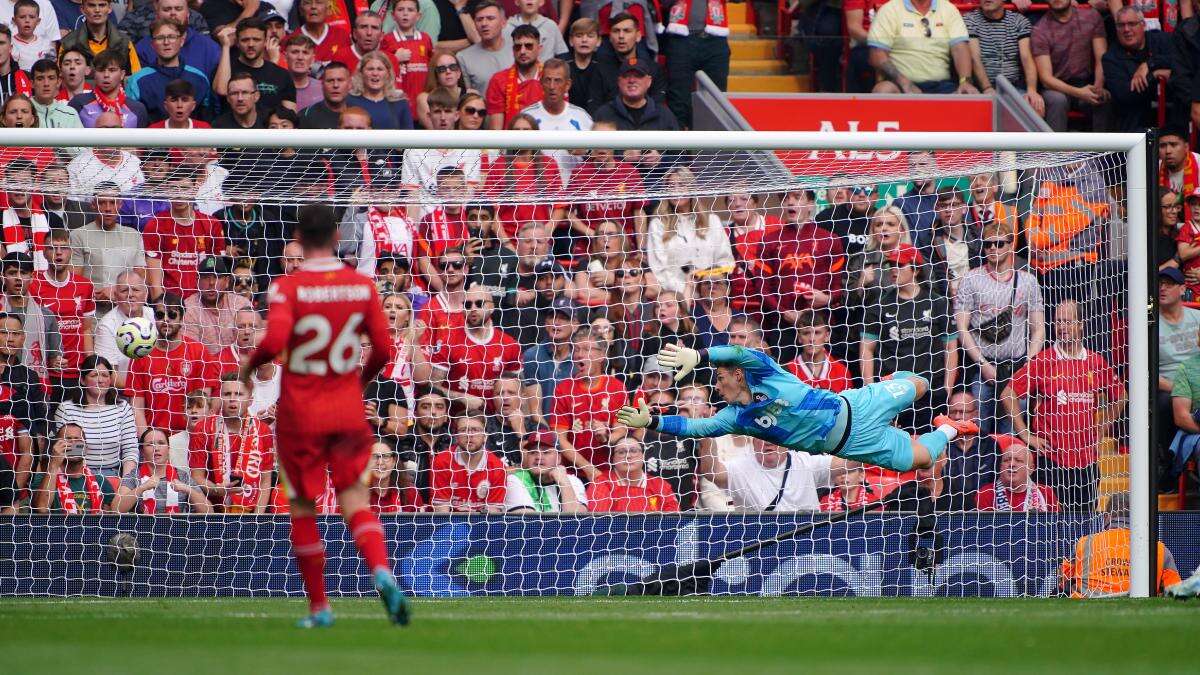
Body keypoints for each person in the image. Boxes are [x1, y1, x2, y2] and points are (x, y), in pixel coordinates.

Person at [236, 203, 409, 628]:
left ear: (299, 237)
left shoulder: (287, 288)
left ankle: (320, 608)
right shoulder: (362, 287)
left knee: (302, 505)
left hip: (301, 413)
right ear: (336, 237)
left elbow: (274, 339)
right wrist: (359, 383)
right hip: (347, 410)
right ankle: (381, 572)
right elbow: (384, 351)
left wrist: (245, 367)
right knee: (355, 500)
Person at [618, 343, 980, 474]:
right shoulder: (737, 418)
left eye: (719, 377)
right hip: (849, 446)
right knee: (918, 461)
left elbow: (737, 352)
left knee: (921, 385)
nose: (716, 384)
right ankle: (948, 427)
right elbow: (697, 429)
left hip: (856, 405)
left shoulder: (762, 369)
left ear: (738, 375)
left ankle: (888, 382)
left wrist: (699, 356)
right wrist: (652, 420)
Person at [1002, 299, 1125, 512]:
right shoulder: (1043, 360)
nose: (1062, 327)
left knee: (1085, 519)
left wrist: (1101, 428)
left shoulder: (1095, 362)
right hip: (1051, 459)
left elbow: (1121, 396)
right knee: (1051, 524)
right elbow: (1008, 394)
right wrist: (1026, 435)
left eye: (1068, 322)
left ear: (1081, 324)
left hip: (1086, 460)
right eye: (1058, 322)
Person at [954, 221, 1045, 436]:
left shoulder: (1028, 281)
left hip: (1017, 367)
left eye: (999, 244)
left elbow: (1038, 328)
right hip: (983, 366)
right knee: (979, 434)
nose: (993, 249)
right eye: (988, 244)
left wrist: (1028, 363)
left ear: (1011, 245)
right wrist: (983, 364)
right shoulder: (971, 279)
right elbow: (961, 328)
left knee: (1011, 434)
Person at [860, 243, 957, 430]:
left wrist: (947, 389)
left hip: (930, 392)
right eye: (891, 266)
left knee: (929, 450)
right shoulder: (879, 305)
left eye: (900, 265)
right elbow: (866, 349)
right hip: (892, 393)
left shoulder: (937, 303)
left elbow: (951, 348)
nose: (894, 270)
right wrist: (870, 389)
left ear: (915, 269)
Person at [1060, 494, 1182, 597]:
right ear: (1141, 517)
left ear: (1106, 516)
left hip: (1084, 613)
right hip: (1139, 615)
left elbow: (1063, 580)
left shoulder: (1084, 542)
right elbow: (1175, 592)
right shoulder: (1159, 549)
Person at [128, 294, 216, 434]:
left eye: (172, 315)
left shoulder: (199, 352)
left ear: (182, 319)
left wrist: (196, 437)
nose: (166, 320)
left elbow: (203, 404)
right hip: (155, 437)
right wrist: (146, 439)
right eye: (160, 314)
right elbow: (137, 407)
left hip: (190, 436)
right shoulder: (141, 353)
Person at [188, 372, 275, 513]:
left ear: (250, 400)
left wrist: (257, 518)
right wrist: (216, 490)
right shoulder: (203, 428)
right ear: (220, 398)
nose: (232, 399)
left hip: (250, 512)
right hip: (213, 512)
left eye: (239, 394)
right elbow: (197, 476)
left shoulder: (263, 430)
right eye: (227, 394)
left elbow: (265, 481)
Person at [429, 284, 523, 411]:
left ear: (491, 307)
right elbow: (432, 387)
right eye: (468, 305)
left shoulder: (509, 344)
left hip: (497, 422)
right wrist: (462, 397)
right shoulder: (448, 342)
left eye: (479, 304)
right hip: (459, 422)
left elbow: (520, 390)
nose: (473, 308)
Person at [551, 325, 628, 481]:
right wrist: (589, 469)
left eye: (586, 349)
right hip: (574, 474)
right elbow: (560, 439)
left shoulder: (617, 388)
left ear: (602, 355)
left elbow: (621, 431)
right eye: (577, 350)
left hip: (611, 472)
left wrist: (607, 437)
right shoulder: (564, 389)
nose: (579, 355)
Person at [699, 436, 853, 512]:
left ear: (787, 441)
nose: (768, 442)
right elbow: (711, 471)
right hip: (759, 547)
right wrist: (706, 435)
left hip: (805, 543)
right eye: (762, 437)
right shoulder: (741, 467)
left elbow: (850, 463)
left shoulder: (806, 463)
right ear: (752, 441)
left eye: (773, 437)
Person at [645, 166, 733, 295]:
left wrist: (706, 282)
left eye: (681, 185)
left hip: (711, 294)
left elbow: (725, 261)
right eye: (670, 186)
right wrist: (685, 292)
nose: (675, 190)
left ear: (691, 188)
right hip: (677, 298)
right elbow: (659, 270)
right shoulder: (658, 224)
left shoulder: (712, 221)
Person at [31, 229, 96, 400]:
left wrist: (91, 366)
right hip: (44, 373)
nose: (59, 253)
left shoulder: (84, 285)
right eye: (53, 247)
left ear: (71, 252)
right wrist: (49, 358)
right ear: (44, 252)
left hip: (76, 372)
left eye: (64, 248)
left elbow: (86, 329)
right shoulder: (33, 284)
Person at [141, 170, 226, 300]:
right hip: (170, 303)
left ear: (195, 190)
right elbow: (154, 282)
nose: (179, 194)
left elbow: (218, 274)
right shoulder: (155, 225)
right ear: (165, 190)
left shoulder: (212, 224)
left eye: (185, 188)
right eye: (174, 189)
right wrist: (162, 309)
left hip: (202, 302)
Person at [52, 355, 138, 479]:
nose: (100, 380)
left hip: (113, 474)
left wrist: (126, 483)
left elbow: (130, 451)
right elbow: (63, 451)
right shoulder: (67, 409)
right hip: (77, 475)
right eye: (94, 375)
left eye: (105, 375)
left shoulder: (122, 408)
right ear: (82, 380)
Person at [866, 0, 976, 95]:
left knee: (969, 93)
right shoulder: (890, 9)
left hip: (942, 86)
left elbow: (960, 48)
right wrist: (904, 82)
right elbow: (876, 55)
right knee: (883, 90)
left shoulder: (948, 9)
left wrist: (965, 81)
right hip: (900, 84)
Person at [1031, 0, 1109, 132]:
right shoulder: (1040, 29)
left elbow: (1102, 57)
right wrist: (1079, 93)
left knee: (1102, 98)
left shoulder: (1091, 16)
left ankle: (1105, 151)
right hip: (1056, 86)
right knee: (1057, 101)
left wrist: (1098, 87)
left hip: (1086, 82)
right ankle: (1054, 151)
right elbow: (1046, 78)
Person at [126, 18, 214, 124]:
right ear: (152, 44)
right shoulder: (137, 80)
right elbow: (132, 122)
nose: (166, 42)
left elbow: (206, 119)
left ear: (181, 41)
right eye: (160, 38)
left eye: (172, 37)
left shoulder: (199, 78)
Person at [963, 0, 1043, 116]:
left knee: (1035, 107)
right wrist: (987, 88)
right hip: (980, 87)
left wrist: (1032, 90)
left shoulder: (1019, 20)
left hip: (1013, 87)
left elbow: (1026, 57)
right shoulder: (970, 20)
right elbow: (975, 58)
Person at [1103, 7, 1174, 132]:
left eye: (1132, 24)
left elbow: (1182, 61)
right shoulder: (1111, 58)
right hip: (1135, 123)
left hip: (1172, 114)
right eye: (1121, 25)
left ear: (1143, 25)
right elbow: (1124, 95)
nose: (1126, 30)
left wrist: (1150, 63)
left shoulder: (1161, 40)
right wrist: (1155, 75)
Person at [113, 427, 212, 513]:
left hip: (177, 530)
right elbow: (115, 509)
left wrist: (188, 489)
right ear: (142, 452)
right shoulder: (134, 476)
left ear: (168, 449)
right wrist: (142, 488)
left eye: (161, 443)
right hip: (143, 531)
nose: (156, 448)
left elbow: (209, 511)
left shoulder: (182, 476)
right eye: (150, 444)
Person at [428, 410, 508, 512]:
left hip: (482, 525)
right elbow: (441, 512)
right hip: (449, 524)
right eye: (463, 430)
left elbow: (493, 515)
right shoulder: (442, 461)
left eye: (475, 430)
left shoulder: (497, 467)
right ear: (456, 436)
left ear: (485, 436)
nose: (469, 435)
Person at [1, 251, 61, 384]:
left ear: (32, 277)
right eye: (12, 273)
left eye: (23, 273)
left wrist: (57, 362)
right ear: (3, 276)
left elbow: (54, 356)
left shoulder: (46, 316)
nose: (18, 278)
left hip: (34, 390)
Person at [213, 17, 296, 111]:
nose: (251, 44)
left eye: (256, 40)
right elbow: (222, 90)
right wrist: (225, 46)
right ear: (237, 43)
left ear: (265, 41)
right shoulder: (226, 68)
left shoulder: (282, 75)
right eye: (245, 40)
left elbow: (290, 116)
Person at [31, 423, 117, 513]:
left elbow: (108, 520)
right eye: (67, 439)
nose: (73, 443)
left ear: (86, 448)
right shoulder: (42, 478)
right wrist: (54, 465)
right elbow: (42, 509)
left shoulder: (100, 481)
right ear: (56, 447)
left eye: (78, 440)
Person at [181, 256, 254, 355]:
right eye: (206, 277)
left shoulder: (241, 304)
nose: (211, 283)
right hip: (203, 367)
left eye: (217, 277)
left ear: (227, 281)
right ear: (198, 281)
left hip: (241, 365)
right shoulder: (188, 308)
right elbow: (192, 353)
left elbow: (253, 343)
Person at [504, 426, 588, 512]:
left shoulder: (573, 481)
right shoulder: (516, 480)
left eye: (546, 452)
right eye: (533, 452)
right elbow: (527, 523)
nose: (538, 457)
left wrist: (564, 483)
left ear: (558, 458)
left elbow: (578, 521)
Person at [92, 271, 154, 386]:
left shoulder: (156, 317)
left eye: (136, 290)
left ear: (145, 295)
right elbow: (108, 374)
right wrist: (142, 390)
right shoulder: (106, 326)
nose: (130, 295)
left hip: (159, 387)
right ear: (116, 296)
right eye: (124, 290)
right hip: (124, 395)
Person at [586, 436, 680, 512]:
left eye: (634, 451)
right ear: (613, 459)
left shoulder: (660, 485)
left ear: (643, 456)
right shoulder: (601, 483)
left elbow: (673, 521)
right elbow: (599, 525)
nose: (628, 456)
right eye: (621, 452)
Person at [133, 0, 221, 80]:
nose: (173, 13)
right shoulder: (142, 48)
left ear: (188, 14)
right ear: (157, 15)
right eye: (167, 9)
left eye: (178, 9)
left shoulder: (210, 48)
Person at [594, 56, 679, 132]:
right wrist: (623, 150)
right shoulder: (604, 114)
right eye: (626, 76)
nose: (631, 80)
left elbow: (681, 149)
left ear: (649, 81)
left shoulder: (664, 115)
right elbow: (590, 149)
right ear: (619, 82)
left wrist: (658, 150)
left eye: (638, 76)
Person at [975, 436, 1058, 513]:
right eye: (1006, 460)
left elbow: (1057, 525)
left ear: (1031, 469)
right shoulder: (985, 494)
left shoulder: (1046, 492)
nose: (1011, 464)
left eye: (1018, 460)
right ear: (1000, 466)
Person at [69, 49, 148, 128]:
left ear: (122, 74)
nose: (106, 75)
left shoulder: (137, 108)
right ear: (94, 74)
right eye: (101, 70)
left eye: (112, 70)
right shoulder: (79, 103)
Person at [485, 23, 543, 129]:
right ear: (513, 50)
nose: (522, 51)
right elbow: (496, 131)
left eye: (529, 46)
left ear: (539, 49)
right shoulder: (498, 80)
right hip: (510, 143)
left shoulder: (550, 78)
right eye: (518, 47)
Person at [379, 0, 434, 112]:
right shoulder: (388, 40)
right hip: (399, 101)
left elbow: (432, 66)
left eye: (410, 10)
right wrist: (395, 59)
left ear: (418, 16)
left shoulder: (425, 39)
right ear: (393, 15)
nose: (405, 13)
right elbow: (380, 66)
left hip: (423, 102)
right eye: (400, 10)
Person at [59, 0, 139, 75]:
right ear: (82, 9)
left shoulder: (125, 43)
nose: (97, 10)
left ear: (110, 8)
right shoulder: (68, 44)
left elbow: (136, 81)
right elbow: (60, 80)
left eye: (102, 5)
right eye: (91, 5)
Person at [345, 50, 415, 130]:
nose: (375, 73)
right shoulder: (349, 101)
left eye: (380, 69)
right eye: (370, 69)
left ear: (388, 74)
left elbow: (408, 138)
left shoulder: (400, 103)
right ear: (361, 73)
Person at [786, 309, 851, 393]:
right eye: (806, 333)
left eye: (817, 333)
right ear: (799, 337)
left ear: (827, 336)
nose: (812, 339)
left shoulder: (841, 372)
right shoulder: (788, 371)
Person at [457, 1, 513, 92]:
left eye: (490, 18)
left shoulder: (518, 50)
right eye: (479, 20)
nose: (484, 24)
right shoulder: (463, 57)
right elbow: (467, 97)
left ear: (503, 23)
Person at [565, 17, 613, 114]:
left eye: (590, 36)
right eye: (579, 36)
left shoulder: (606, 65)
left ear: (598, 41)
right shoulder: (562, 64)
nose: (584, 40)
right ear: (570, 40)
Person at [366, 440, 423, 513]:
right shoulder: (357, 492)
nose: (380, 462)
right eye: (375, 457)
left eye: (385, 456)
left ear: (394, 461)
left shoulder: (409, 492)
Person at [415, 50, 466, 129]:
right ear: (436, 75)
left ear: (458, 73)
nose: (448, 71)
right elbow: (436, 130)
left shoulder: (470, 95)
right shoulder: (425, 98)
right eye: (442, 69)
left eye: (452, 67)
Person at [28, 60, 83, 130]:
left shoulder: (70, 114)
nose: (46, 84)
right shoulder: (21, 111)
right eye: (40, 79)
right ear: (32, 83)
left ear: (58, 82)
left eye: (51, 78)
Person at [299, 60, 353, 128]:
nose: (335, 85)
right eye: (330, 80)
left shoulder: (360, 116)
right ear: (322, 84)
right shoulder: (306, 115)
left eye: (340, 80)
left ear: (350, 84)